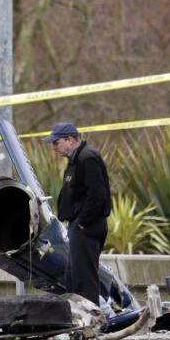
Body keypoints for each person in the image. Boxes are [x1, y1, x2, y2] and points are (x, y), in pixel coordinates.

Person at [45, 122, 112, 307]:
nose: (54, 147)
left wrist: (82, 222)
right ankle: (77, 319)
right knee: (73, 276)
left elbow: (98, 194)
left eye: (56, 142)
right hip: (78, 226)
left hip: (87, 226)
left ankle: (91, 321)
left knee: (85, 279)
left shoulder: (87, 157)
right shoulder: (76, 160)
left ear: (69, 140)